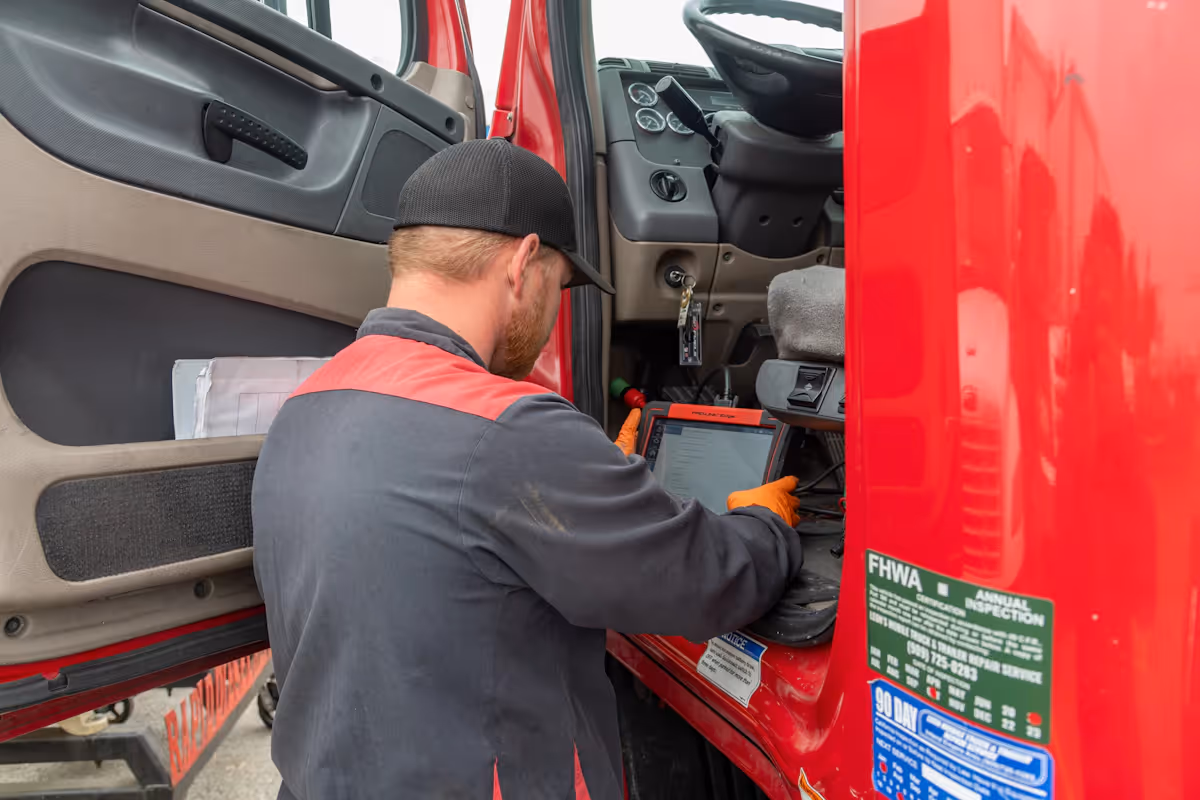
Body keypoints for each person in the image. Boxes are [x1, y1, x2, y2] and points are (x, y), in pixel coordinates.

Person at [252, 138, 803, 799]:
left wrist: (601, 483)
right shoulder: (509, 428)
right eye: (562, 286)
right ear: (523, 265)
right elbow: (709, 580)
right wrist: (765, 525)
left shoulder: (305, 406)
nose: (552, 315)